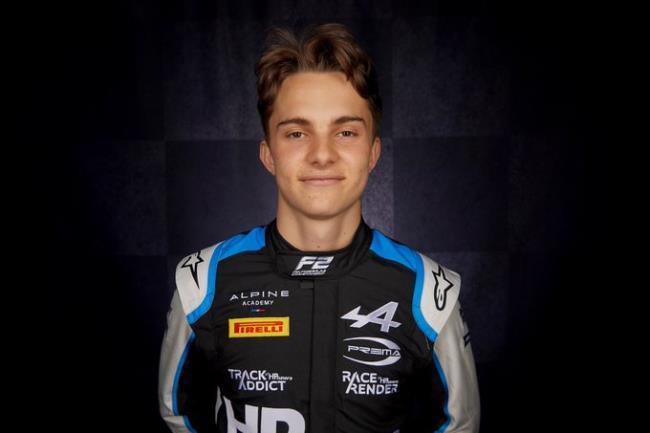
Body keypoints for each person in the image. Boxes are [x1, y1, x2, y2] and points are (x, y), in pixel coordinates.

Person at [158, 22, 480, 433]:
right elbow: (178, 417)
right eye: (297, 133)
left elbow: (458, 426)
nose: (322, 155)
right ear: (268, 154)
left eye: (345, 132)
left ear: (373, 153)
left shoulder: (430, 293)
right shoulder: (201, 283)